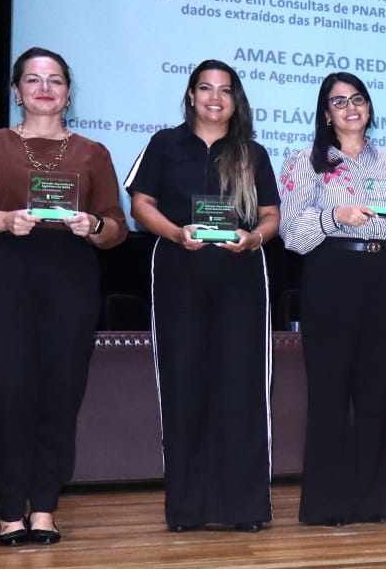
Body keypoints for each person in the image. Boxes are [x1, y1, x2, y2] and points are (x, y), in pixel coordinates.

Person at [0, 46, 128, 546]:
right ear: (16, 90)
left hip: (71, 280)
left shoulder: (93, 153)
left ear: (68, 92)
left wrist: (93, 224)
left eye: (55, 80)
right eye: (33, 80)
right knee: (7, 395)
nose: (44, 88)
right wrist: (3, 220)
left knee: (59, 397)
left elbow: (117, 228)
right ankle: (9, 512)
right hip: (5, 276)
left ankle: (43, 507)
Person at [123, 59, 280, 532]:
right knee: (183, 384)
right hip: (178, 272)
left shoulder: (252, 152)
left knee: (241, 387)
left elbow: (271, 216)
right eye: (205, 88)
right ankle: (186, 509)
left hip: (241, 278)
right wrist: (175, 233)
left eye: (225, 90)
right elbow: (140, 205)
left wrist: (252, 239)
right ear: (190, 95)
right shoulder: (163, 144)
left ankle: (244, 509)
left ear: (236, 100)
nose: (215, 97)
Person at [277, 72, 386, 525]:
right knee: (330, 391)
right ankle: (327, 504)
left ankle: (370, 501)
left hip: (383, 276)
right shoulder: (304, 161)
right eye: (339, 102)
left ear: (369, 107)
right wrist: (333, 215)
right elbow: (292, 235)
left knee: (374, 392)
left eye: (357, 99)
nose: (350, 108)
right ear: (326, 113)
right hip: (331, 275)